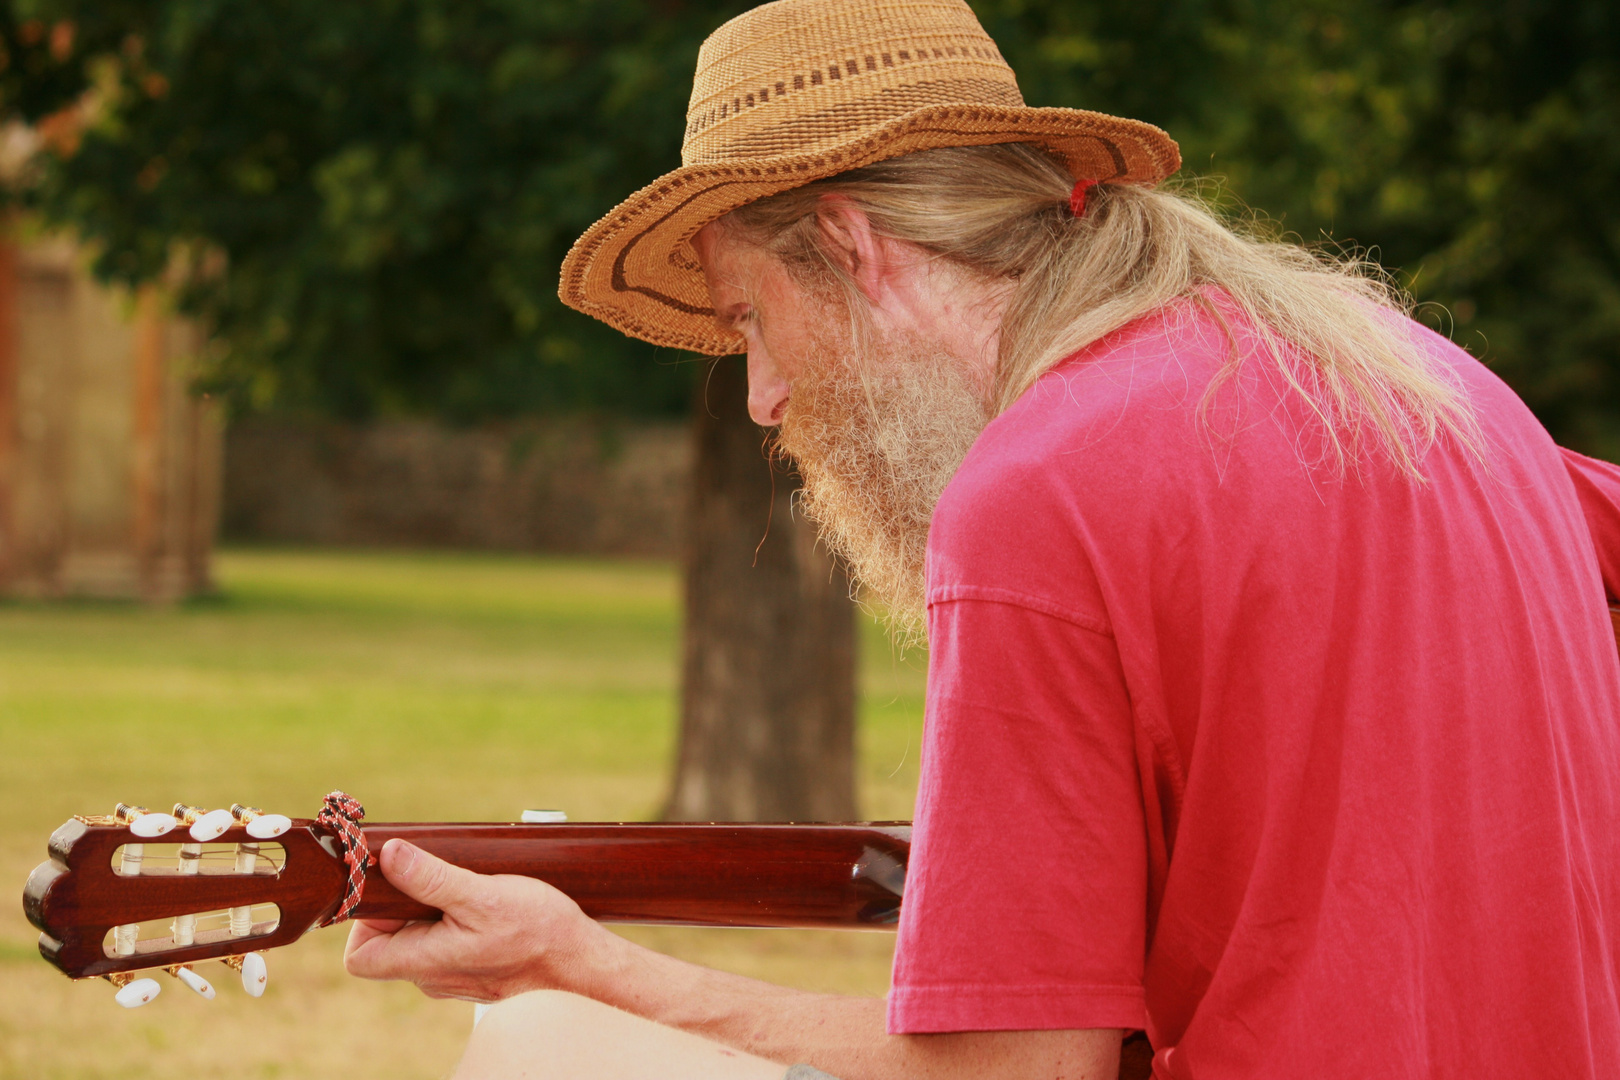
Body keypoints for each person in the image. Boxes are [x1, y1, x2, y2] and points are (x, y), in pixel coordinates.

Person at [342, 1, 1620, 1077]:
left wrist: (585, 964)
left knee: (551, 1046)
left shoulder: (1042, 489)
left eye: (752, 323)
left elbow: (1020, 1069)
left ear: (851, 246)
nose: (764, 399)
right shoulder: (1425, 384)